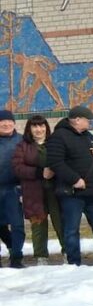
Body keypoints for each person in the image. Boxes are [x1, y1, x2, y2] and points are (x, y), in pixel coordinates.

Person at [48, 105, 93, 267]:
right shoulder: (59, 136)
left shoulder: (89, 136)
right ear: (77, 120)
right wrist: (74, 179)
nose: (90, 122)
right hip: (71, 193)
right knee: (71, 229)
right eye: (88, 119)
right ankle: (74, 263)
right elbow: (56, 162)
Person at [12, 115, 65, 265]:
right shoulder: (23, 146)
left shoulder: (54, 143)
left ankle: (68, 252)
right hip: (33, 193)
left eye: (42, 126)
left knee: (61, 223)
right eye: (34, 126)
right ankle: (41, 257)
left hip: (55, 191)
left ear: (46, 128)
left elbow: (64, 161)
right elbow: (18, 168)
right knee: (38, 225)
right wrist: (39, 172)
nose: (38, 129)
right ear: (29, 129)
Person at [0, 110, 26, 268]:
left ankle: (17, 257)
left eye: (9, 121)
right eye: (2, 121)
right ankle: (10, 246)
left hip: (14, 189)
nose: (6, 124)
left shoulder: (23, 141)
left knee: (17, 224)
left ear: (14, 123)